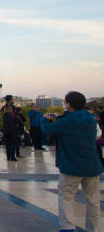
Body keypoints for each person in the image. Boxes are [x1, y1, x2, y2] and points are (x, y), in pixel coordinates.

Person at [42, 91, 103, 232]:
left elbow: (48, 130)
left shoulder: (67, 121)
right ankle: (94, 228)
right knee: (93, 200)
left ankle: (67, 227)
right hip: (92, 165)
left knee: (66, 197)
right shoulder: (90, 119)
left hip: (71, 166)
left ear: (68, 104)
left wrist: (45, 119)